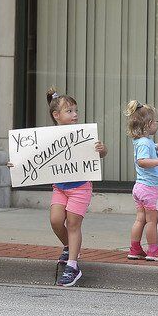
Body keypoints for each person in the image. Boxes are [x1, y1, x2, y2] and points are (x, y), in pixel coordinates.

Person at [42, 88, 108, 287]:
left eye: (75, 111)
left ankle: (73, 265)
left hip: (80, 187)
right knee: (55, 221)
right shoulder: (48, 136)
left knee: (72, 224)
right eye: (69, 111)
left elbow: (101, 154)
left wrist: (102, 149)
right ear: (56, 115)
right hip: (60, 187)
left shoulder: (83, 134)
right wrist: (17, 165)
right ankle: (69, 246)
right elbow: (34, 158)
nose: (75, 115)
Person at [125, 100, 158, 262]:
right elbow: (142, 161)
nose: (157, 124)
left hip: (140, 188)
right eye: (156, 121)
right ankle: (153, 250)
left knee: (140, 219)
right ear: (149, 124)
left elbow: (155, 147)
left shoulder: (143, 141)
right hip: (150, 189)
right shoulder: (144, 143)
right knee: (152, 221)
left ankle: (134, 249)